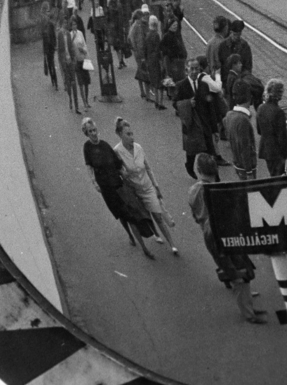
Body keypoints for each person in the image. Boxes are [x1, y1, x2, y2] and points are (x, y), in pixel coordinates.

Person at [188, 154, 267, 324]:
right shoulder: (219, 191)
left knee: (235, 270)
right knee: (239, 271)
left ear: (199, 170)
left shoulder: (193, 191)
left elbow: (196, 215)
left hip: (209, 234)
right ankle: (248, 313)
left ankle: (247, 305)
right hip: (223, 234)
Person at [82, 117, 156, 258]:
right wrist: (94, 183)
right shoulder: (87, 148)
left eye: (94, 130)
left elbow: (117, 163)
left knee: (130, 215)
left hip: (118, 185)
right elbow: (89, 167)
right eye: (90, 131)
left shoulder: (104, 145)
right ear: (86, 133)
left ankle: (144, 248)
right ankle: (130, 235)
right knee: (120, 215)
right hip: (106, 188)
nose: (93, 133)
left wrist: (125, 173)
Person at [112, 116, 180, 254]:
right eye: (128, 134)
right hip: (134, 190)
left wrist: (156, 186)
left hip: (147, 187)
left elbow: (148, 168)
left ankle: (172, 244)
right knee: (145, 216)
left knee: (158, 215)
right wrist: (122, 173)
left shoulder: (138, 148)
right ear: (120, 135)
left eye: (132, 133)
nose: (132, 137)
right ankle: (155, 234)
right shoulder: (117, 151)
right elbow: (117, 169)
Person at [173, 57, 216, 177]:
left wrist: (214, 129)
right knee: (191, 150)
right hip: (191, 124)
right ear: (186, 70)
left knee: (209, 151)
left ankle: (215, 178)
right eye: (191, 69)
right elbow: (175, 103)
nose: (194, 71)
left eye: (196, 69)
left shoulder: (204, 85)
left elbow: (210, 106)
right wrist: (187, 103)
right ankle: (189, 165)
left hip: (204, 123)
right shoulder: (181, 85)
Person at [256, 78, 287, 176]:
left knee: (273, 175)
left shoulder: (260, 108)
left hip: (266, 150)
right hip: (277, 153)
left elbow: (259, 130)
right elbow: (282, 137)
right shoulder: (278, 112)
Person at [221, 84, 258, 180]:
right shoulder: (243, 120)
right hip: (246, 167)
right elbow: (245, 147)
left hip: (237, 163)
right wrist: (249, 171)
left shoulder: (229, 115)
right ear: (249, 98)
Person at [141, 14, 167, 110]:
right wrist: (161, 62)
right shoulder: (156, 35)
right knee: (159, 82)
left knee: (154, 81)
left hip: (150, 61)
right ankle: (160, 103)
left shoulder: (147, 35)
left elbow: (144, 49)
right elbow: (158, 49)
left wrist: (146, 60)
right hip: (156, 61)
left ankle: (156, 101)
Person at [128, 5, 152, 101]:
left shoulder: (137, 25)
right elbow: (139, 40)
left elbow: (130, 38)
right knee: (144, 72)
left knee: (140, 71)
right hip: (141, 53)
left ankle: (143, 92)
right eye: (144, 15)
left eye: (147, 15)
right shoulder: (139, 26)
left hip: (139, 52)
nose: (145, 17)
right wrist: (139, 52)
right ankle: (146, 94)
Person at [40, 17, 58, 89]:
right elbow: (44, 42)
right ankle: (52, 79)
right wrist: (44, 52)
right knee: (50, 66)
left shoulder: (51, 25)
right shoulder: (44, 29)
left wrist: (55, 45)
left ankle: (55, 82)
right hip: (47, 50)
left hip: (51, 49)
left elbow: (54, 36)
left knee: (52, 65)